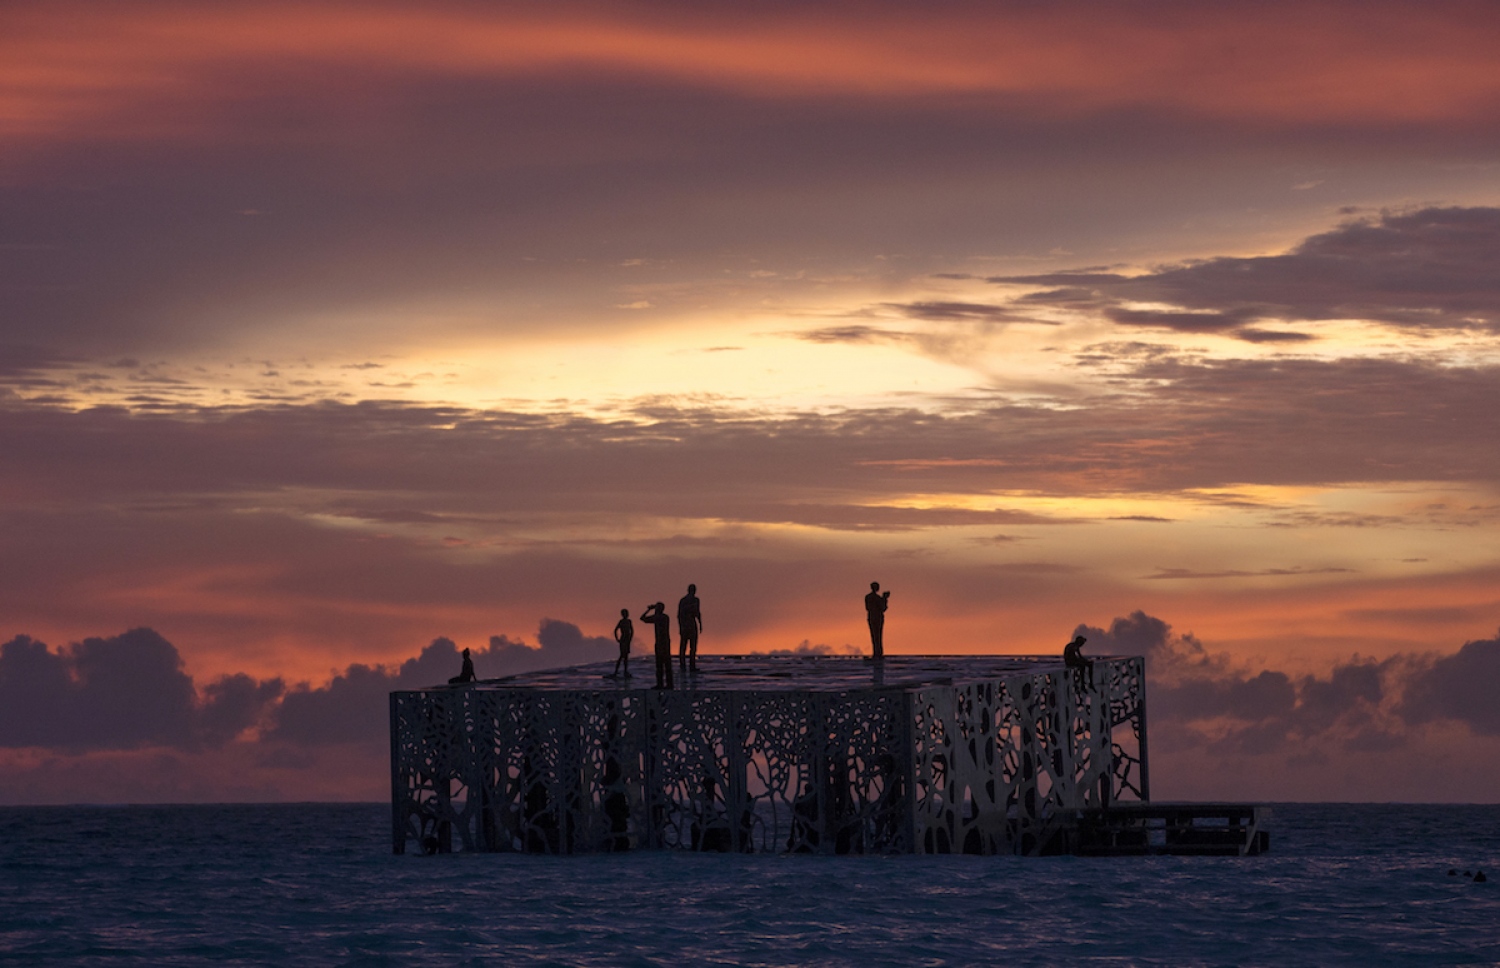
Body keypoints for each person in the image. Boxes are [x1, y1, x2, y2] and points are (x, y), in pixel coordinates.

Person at [641, 602, 673, 689]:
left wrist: (649, 609)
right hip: (664, 642)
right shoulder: (665, 617)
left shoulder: (659, 617)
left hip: (661, 643)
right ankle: (668, 684)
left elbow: (642, 618)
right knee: (665, 665)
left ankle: (662, 684)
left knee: (661, 665)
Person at [677, 583, 702, 672]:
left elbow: (697, 613)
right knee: (685, 646)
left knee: (692, 647)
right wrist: (681, 627)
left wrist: (700, 624)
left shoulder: (695, 600)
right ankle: (684, 665)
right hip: (686, 625)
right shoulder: (684, 601)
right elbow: (680, 615)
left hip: (691, 624)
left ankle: (690, 665)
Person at [864, 582, 890, 659]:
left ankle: (877, 652)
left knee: (874, 635)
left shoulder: (868, 597)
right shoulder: (877, 598)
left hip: (872, 617)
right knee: (878, 635)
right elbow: (883, 608)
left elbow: (867, 608)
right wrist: (884, 598)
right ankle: (878, 652)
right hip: (877, 618)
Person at [612, 608, 634, 679]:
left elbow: (632, 630)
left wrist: (630, 638)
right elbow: (615, 630)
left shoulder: (629, 621)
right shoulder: (621, 621)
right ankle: (616, 672)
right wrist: (617, 639)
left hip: (627, 640)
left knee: (626, 656)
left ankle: (625, 671)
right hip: (623, 639)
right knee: (622, 655)